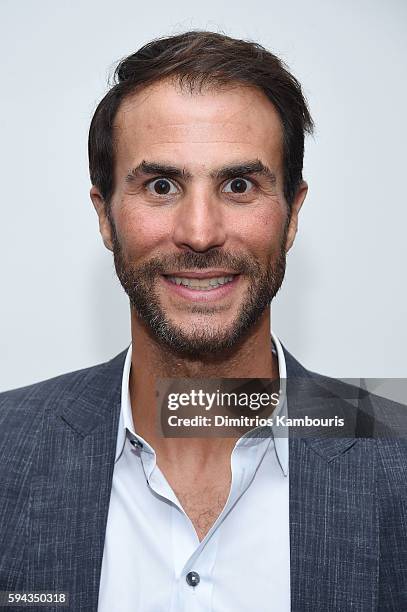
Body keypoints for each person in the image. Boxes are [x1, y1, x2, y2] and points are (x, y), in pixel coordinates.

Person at [0, 31, 405, 612]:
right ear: (105, 217)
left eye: (238, 185)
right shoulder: (7, 447)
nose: (199, 232)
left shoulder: (395, 453)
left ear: (292, 216)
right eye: (161, 186)